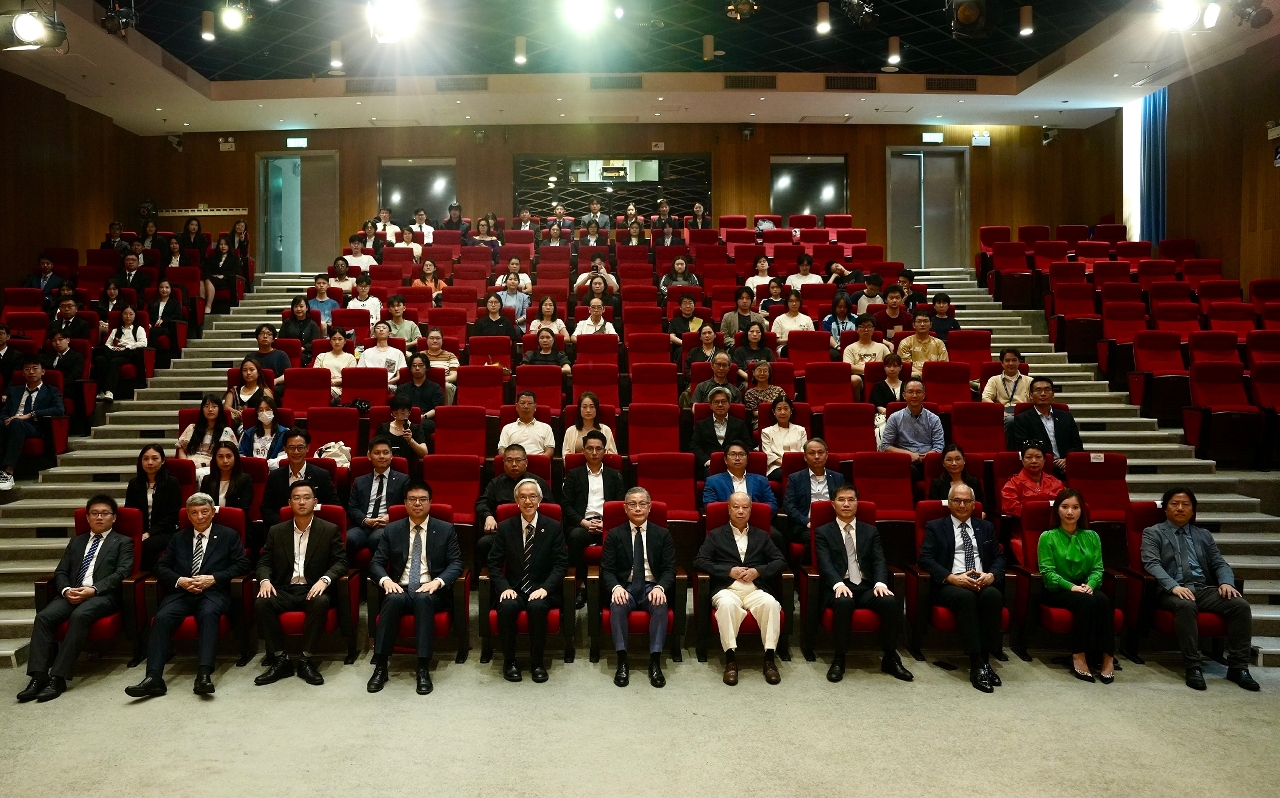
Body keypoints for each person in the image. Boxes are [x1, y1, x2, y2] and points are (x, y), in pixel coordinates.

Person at [125, 493, 251, 697]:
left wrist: (214, 578)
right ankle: (154, 678)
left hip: (213, 593)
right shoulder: (178, 537)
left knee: (208, 614)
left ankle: (203, 674)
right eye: (194, 513)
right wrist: (180, 580)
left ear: (213, 512)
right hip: (181, 593)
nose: (200, 517)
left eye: (204, 511)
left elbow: (243, 564)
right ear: (188, 516)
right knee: (162, 617)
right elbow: (160, 566)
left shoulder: (228, 535)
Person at [17, 494, 134, 702]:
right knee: (43, 617)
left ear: (114, 517)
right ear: (87, 517)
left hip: (102, 595)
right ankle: (38, 676)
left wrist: (93, 590)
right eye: (94, 513)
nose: (99, 517)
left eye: (104, 513)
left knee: (80, 615)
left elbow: (121, 573)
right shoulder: (76, 541)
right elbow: (61, 571)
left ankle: (58, 677)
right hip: (71, 593)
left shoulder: (123, 542)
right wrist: (65, 590)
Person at [1141, 487, 1259, 691]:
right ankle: (1193, 666)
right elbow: (1151, 564)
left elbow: (1219, 563)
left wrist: (1226, 582)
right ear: (1166, 509)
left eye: (1185, 504)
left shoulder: (1203, 535)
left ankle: (1238, 667)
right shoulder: (1153, 533)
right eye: (1174, 504)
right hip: (1171, 590)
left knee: (1240, 605)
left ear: (1193, 511)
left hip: (1202, 588)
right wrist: (1173, 586)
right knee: (1186, 605)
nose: (1180, 508)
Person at [367, 479, 463, 695]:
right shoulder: (392, 530)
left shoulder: (445, 529)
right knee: (392, 599)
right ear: (405, 503)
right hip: (399, 587)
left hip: (431, 590)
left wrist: (437, 582)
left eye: (422, 499)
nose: (417, 503)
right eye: (412, 499)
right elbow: (376, 563)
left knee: (423, 599)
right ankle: (381, 666)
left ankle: (422, 667)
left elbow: (456, 563)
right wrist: (386, 581)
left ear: (430, 502)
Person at [253, 480, 347, 687]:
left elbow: (341, 562)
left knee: (320, 602)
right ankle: (281, 659)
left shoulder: (329, 529)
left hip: (313, 588)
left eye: (306, 498)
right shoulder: (276, 531)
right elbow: (264, 562)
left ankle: (306, 659)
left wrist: (325, 580)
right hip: (284, 589)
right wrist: (265, 580)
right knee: (262, 602)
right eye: (296, 498)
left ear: (315, 501)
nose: (302, 502)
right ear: (289, 503)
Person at [816, 484, 913, 683]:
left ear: (857, 503)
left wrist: (880, 583)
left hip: (866, 586)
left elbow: (879, 560)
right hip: (840, 585)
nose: (846, 504)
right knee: (844, 602)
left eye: (851, 500)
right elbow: (824, 563)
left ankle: (890, 657)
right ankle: (839, 658)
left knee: (890, 601)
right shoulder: (823, 532)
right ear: (833, 504)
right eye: (841, 500)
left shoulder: (870, 531)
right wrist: (837, 584)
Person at [918, 484, 1007, 693]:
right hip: (951, 584)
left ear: (973, 504)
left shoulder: (985, 527)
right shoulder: (936, 526)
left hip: (981, 580)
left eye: (967, 501)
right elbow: (925, 559)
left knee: (993, 596)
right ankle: (977, 663)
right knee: (965, 598)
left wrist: (991, 576)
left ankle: (985, 661)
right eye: (957, 500)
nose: (962, 505)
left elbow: (999, 558)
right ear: (949, 503)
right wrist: (951, 578)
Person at [695, 493, 786, 686]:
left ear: (750, 511)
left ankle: (769, 659)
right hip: (728, 589)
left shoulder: (762, 535)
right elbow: (700, 561)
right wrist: (728, 571)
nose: (740, 511)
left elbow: (780, 561)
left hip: (755, 589)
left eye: (745, 507)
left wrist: (758, 571)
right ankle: (730, 660)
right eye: (736, 507)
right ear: (729, 509)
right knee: (727, 605)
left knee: (771, 604)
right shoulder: (716, 535)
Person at [490, 478, 568, 683]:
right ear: (516, 500)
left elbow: (561, 564)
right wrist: (504, 587)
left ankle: (537, 662)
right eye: (523, 497)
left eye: (532, 496)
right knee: (507, 606)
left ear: (540, 499)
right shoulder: (506, 527)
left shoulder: (553, 527)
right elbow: (494, 563)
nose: (528, 501)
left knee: (537, 607)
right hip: (513, 587)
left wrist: (545, 588)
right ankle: (510, 661)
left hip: (541, 588)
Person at [1039, 489, 1116, 684]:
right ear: (1057, 510)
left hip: (1085, 586)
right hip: (1058, 589)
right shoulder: (1047, 536)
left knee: (1104, 601)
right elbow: (1048, 573)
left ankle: (1107, 657)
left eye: (1075, 507)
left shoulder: (1092, 536)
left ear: (1082, 511)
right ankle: (1079, 655)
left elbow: (1098, 568)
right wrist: (1071, 587)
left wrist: (1090, 585)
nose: (1070, 512)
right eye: (1065, 507)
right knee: (1086, 602)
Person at [602, 487, 675, 688]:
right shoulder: (615, 535)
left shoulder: (662, 534)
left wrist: (660, 587)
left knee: (660, 604)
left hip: (652, 586)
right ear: (625, 508)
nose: (637, 508)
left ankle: (655, 661)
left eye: (642, 504)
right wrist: (616, 587)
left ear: (649, 507)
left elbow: (669, 569)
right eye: (632, 504)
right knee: (617, 604)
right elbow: (607, 569)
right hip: (625, 587)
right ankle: (622, 660)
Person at [561, 430, 626, 609]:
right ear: (583, 451)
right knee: (575, 537)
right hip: (583, 524)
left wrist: (607, 524)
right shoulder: (574, 474)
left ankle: (610, 586)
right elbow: (566, 505)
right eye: (590, 448)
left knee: (620, 537)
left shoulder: (614, 475)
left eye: (599, 449)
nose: (594, 452)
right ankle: (582, 585)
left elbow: (621, 504)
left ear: (605, 450)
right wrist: (584, 522)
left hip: (608, 524)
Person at [474, 444, 553, 570]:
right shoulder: (495, 484)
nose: (514, 464)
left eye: (518, 460)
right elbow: (481, 503)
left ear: (526, 462)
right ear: (504, 463)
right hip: (504, 532)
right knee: (484, 543)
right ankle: (489, 577)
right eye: (509, 460)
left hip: (532, 530)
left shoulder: (538, 483)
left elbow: (550, 509)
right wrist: (488, 516)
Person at [345, 436, 410, 560]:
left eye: (385, 452)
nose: (382, 456)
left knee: (377, 539)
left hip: (386, 526)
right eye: (377, 453)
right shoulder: (359, 481)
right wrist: (365, 520)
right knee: (348, 539)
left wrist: (391, 517)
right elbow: (352, 508)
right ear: (369, 456)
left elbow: (407, 506)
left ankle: (377, 571)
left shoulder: (403, 480)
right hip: (363, 525)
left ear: (391, 455)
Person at [260, 430, 339, 528]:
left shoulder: (322, 475)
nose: (296, 452)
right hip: (283, 529)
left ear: (307, 448)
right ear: (285, 449)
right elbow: (266, 508)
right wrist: (283, 524)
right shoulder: (275, 476)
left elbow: (334, 506)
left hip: (315, 528)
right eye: (291, 447)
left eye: (300, 447)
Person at [1005, 378, 1084, 477]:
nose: (1043, 394)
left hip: (1067, 465)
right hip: (1040, 467)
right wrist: (1049, 461)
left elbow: (1077, 444)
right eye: (1038, 390)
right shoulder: (1022, 419)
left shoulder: (1066, 417)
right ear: (1031, 395)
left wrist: (1067, 459)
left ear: (1053, 394)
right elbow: (1024, 447)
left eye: (1047, 390)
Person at [126, 444, 181, 570]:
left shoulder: (172, 483)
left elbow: (172, 516)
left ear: (163, 460)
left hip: (164, 531)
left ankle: (150, 575)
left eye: (155, 458)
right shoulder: (134, 484)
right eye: (145, 459)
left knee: (147, 545)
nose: (150, 462)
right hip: (141, 531)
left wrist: (149, 533)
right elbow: (130, 512)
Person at [879, 376, 944, 478]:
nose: (914, 395)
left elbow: (939, 446)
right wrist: (908, 454)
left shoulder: (934, 419)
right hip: (905, 462)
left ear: (924, 395)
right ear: (904, 395)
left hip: (928, 461)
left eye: (918, 392)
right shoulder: (894, 418)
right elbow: (886, 446)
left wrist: (925, 456)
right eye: (910, 392)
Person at [783, 438, 843, 539]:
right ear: (805, 457)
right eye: (811, 453)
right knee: (816, 538)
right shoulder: (795, 478)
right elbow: (789, 505)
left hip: (832, 523)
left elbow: (842, 501)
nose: (816, 457)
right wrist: (806, 521)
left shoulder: (838, 478)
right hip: (805, 525)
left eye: (820, 453)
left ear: (827, 455)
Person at [691, 387, 751, 478]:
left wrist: (737, 459)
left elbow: (748, 446)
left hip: (735, 465)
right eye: (716, 402)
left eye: (723, 401)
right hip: (710, 467)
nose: (720, 405)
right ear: (710, 405)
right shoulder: (701, 425)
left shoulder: (740, 424)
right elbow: (694, 446)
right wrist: (707, 461)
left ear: (729, 404)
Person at [702, 441, 777, 513]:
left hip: (755, 520)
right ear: (725, 459)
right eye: (733, 454)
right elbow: (710, 507)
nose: (737, 458)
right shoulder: (713, 481)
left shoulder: (761, 481)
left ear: (747, 459)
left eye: (741, 454)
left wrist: (748, 512)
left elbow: (772, 505)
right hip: (725, 521)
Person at [175, 394, 237, 480]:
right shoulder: (192, 428)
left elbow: (226, 456)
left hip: (211, 465)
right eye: (206, 406)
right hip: (189, 463)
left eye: (214, 406)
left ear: (219, 409)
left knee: (199, 474)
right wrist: (187, 464)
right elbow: (181, 449)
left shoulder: (226, 431)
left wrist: (202, 465)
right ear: (202, 409)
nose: (210, 409)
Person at [92, 305, 146, 403]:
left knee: (114, 361)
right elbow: (108, 344)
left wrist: (128, 347)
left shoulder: (139, 329)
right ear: (122, 315)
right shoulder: (116, 330)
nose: (128, 316)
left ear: (135, 316)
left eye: (131, 314)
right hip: (115, 351)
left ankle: (110, 392)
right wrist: (113, 348)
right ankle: (102, 391)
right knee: (100, 359)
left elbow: (143, 343)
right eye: (125, 314)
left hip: (129, 353)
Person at [1000, 444, 1065, 518]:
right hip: (1025, 522)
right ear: (1022, 460)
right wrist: (1037, 513)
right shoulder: (1013, 483)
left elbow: (1066, 503)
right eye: (1029, 457)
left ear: (1044, 460)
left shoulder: (1055, 482)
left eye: (1038, 457)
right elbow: (1009, 506)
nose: (1034, 461)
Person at [394, 352, 444, 435]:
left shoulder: (435, 387)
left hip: (426, 419)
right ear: (410, 368)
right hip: (405, 419)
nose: (417, 368)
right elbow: (397, 407)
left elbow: (437, 408)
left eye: (421, 365)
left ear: (426, 367)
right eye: (414, 365)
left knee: (422, 426)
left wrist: (423, 416)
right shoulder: (402, 388)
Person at [842, 313, 892, 395]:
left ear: (873, 329)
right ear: (857, 329)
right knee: (854, 379)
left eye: (869, 327)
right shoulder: (850, 348)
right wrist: (869, 370)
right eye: (862, 327)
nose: (866, 330)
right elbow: (848, 367)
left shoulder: (882, 347)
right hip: (860, 377)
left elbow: (890, 363)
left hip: (878, 377)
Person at [198, 442, 253, 515]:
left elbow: (244, 509)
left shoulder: (245, 479)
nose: (225, 461)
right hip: (212, 519)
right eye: (220, 456)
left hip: (235, 519)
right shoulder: (207, 480)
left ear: (235, 458)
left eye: (228, 456)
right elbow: (203, 506)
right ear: (215, 459)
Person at [760, 396, 807, 481]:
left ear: (791, 411)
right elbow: (768, 454)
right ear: (773, 412)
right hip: (776, 467)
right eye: (779, 409)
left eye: (786, 409)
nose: (782, 412)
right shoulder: (766, 432)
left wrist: (794, 465)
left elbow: (804, 450)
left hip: (798, 466)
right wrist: (786, 465)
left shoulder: (801, 430)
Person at [497, 390, 555, 455]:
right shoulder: (507, 428)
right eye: (522, 403)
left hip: (538, 460)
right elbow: (502, 450)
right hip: (514, 460)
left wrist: (539, 460)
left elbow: (549, 450)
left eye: (530, 403)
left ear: (535, 407)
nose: (526, 406)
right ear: (516, 406)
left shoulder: (546, 428)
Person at [238, 396, 289, 468]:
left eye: (268, 409)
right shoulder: (248, 434)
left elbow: (284, 457)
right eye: (261, 410)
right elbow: (241, 455)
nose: (264, 413)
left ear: (274, 411)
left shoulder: (284, 433)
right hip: (251, 471)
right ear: (257, 413)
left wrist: (264, 465)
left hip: (274, 471)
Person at [562, 391, 618, 455]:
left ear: (596, 409)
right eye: (584, 407)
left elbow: (613, 455)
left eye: (592, 407)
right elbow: (566, 456)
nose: (588, 410)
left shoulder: (606, 430)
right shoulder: (570, 431)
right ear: (580, 409)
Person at [982, 348, 1029, 423]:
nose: (1011, 363)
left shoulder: (1029, 381)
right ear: (1002, 363)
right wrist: (1000, 411)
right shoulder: (994, 380)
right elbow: (985, 398)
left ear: (1019, 362)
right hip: (1002, 413)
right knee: (1010, 420)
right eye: (1007, 360)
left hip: (1023, 413)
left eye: (1014, 360)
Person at [376, 394, 429, 461]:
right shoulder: (383, 428)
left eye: (403, 413)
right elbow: (373, 449)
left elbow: (424, 453)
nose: (399, 417)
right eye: (396, 413)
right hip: (385, 463)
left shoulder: (416, 429)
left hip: (408, 464)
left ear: (409, 412)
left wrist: (410, 441)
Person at [312, 327, 357, 403]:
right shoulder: (321, 356)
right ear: (330, 341)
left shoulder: (350, 358)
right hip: (321, 386)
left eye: (340, 339)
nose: (337, 342)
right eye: (334, 339)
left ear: (345, 341)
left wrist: (332, 382)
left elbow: (350, 379)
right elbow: (316, 375)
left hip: (340, 389)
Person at [357, 321, 407, 386]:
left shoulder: (397, 353)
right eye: (378, 328)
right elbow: (360, 373)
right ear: (374, 334)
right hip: (369, 385)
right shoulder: (366, 353)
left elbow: (400, 375)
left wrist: (386, 383)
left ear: (389, 333)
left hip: (389, 385)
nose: (381, 329)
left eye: (384, 328)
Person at [200, 235, 240, 316]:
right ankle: (201, 306)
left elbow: (235, 271)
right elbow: (207, 270)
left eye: (225, 244)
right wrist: (213, 276)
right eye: (221, 244)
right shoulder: (213, 257)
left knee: (208, 280)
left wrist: (224, 275)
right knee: (201, 282)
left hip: (226, 280)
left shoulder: (234, 258)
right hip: (213, 278)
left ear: (229, 246)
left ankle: (208, 306)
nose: (223, 246)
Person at [147, 278, 186, 361]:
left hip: (167, 328)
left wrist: (164, 320)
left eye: (167, 287)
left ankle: (156, 357)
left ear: (171, 289)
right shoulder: (152, 303)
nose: (164, 290)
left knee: (152, 332)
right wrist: (149, 323)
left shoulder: (175, 303)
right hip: (154, 326)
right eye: (161, 287)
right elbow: (148, 316)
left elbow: (178, 316)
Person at [223, 358, 272, 422]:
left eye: (252, 370)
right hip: (236, 423)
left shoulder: (265, 391)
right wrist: (236, 412)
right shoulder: (234, 390)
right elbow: (226, 407)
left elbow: (269, 411)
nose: (248, 373)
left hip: (258, 423)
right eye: (245, 370)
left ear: (258, 372)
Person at [742, 361, 785, 431]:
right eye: (759, 370)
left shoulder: (778, 390)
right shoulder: (750, 393)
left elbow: (785, 407)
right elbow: (754, 413)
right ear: (753, 373)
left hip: (780, 420)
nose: (762, 373)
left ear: (769, 373)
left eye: (765, 371)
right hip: (760, 422)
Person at [246, 324, 290, 390]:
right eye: (261, 334)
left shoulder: (281, 355)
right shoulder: (250, 357)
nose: (265, 336)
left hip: (275, 387)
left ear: (273, 339)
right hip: (255, 386)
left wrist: (275, 381)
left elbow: (287, 375)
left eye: (269, 334)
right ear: (257, 338)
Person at [422, 327, 459, 403]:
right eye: (431, 338)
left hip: (444, 382)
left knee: (448, 386)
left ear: (442, 340)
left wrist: (440, 380)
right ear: (426, 340)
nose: (435, 341)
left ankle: (446, 409)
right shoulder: (420, 355)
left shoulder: (450, 356)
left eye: (438, 338)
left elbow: (454, 375)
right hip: (423, 381)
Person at [821, 292, 858, 357]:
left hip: (853, 347)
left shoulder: (856, 319)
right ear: (834, 307)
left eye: (845, 307)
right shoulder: (828, 319)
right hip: (834, 347)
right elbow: (828, 336)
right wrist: (837, 347)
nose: (842, 309)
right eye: (839, 307)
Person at [869, 352, 905, 417]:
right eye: (888, 366)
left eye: (895, 366)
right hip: (884, 416)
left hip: (905, 416)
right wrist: (894, 416)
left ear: (900, 367)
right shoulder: (878, 386)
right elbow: (878, 407)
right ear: (884, 367)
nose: (892, 369)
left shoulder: (907, 385)